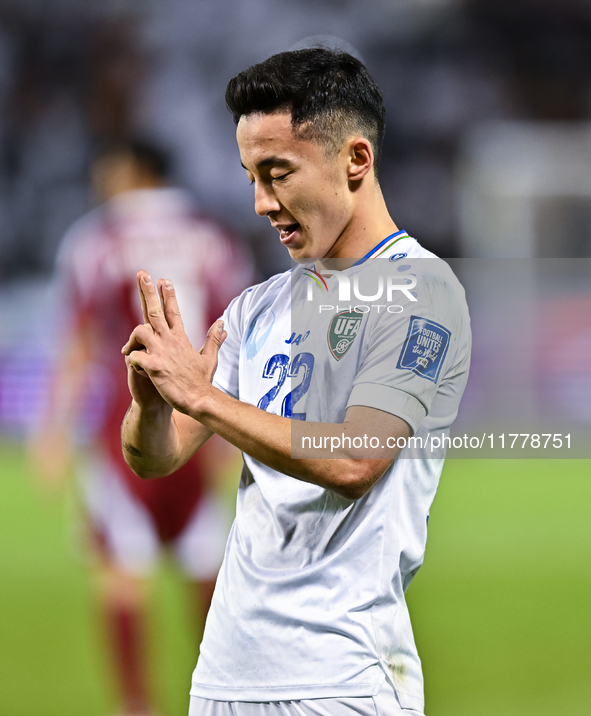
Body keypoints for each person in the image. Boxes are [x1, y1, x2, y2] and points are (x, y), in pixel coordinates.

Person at [120, 49, 471, 716]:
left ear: (355, 161)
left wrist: (205, 398)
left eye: (277, 174)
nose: (259, 202)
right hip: (224, 676)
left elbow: (354, 458)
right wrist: (155, 407)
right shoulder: (258, 308)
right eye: (250, 176)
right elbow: (153, 459)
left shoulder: (419, 294)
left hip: (340, 680)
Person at [31, 139, 252, 716]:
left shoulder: (98, 239)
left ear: (131, 170)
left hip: (125, 427)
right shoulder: (214, 236)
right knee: (207, 566)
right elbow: (240, 332)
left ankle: (137, 705)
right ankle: (228, 698)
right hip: (205, 416)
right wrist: (231, 428)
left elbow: (79, 341)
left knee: (121, 570)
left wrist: (52, 429)